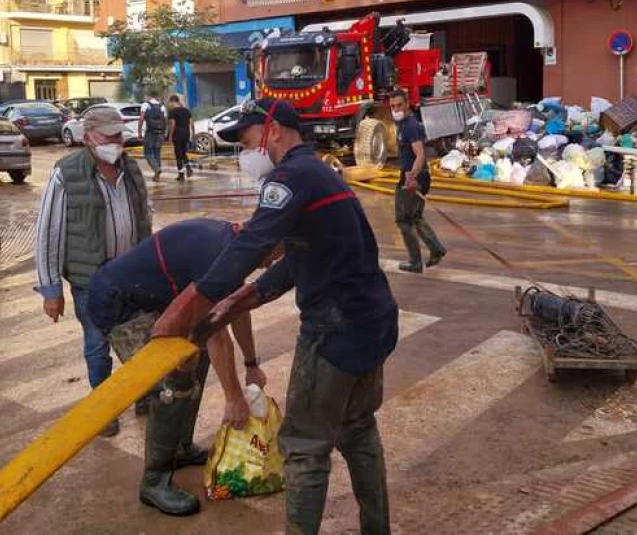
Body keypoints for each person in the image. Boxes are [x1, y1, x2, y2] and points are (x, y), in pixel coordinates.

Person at [151, 98, 397, 535]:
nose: (246, 155)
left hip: (334, 330)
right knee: (359, 430)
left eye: (247, 143)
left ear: (274, 132)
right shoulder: (320, 172)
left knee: (304, 449)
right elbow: (303, 257)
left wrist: (181, 312)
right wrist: (243, 299)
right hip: (372, 321)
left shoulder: (289, 177)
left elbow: (248, 248)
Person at [87, 218, 268, 516]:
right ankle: (154, 480)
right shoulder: (220, 254)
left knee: (197, 354)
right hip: (119, 302)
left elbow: (234, 308)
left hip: (152, 299)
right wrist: (234, 398)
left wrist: (251, 364)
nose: (274, 261)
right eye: (277, 252)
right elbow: (218, 335)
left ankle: (180, 448)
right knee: (169, 383)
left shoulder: (236, 245)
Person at [35, 105, 152, 437]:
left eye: (118, 135)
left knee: (142, 338)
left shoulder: (131, 169)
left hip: (132, 273)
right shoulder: (66, 174)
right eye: (107, 136)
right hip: (92, 279)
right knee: (97, 344)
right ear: (88, 138)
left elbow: (144, 215)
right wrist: (50, 289)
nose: (115, 142)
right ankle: (104, 408)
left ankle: (144, 396)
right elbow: (49, 232)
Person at [389, 89, 447, 273]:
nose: (396, 109)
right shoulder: (403, 124)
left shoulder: (410, 126)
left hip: (414, 176)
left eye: (399, 105)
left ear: (406, 104)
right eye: (392, 106)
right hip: (409, 175)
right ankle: (436, 248)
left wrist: (412, 178)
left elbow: (420, 155)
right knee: (414, 216)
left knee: (403, 219)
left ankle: (415, 262)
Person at [139, 89, 167, 182]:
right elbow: (165, 120)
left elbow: (141, 118)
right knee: (157, 154)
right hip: (160, 133)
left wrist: (139, 132)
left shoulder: (146, 105)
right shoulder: (162, 106)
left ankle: (156, 169)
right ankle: (157, 176)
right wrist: (164, 133)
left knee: (147, 154)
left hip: (150, 132)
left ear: (149, 96)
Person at [167, 94, 194, 181]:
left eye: (170, 103)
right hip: (186, 133)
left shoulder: (172, 112)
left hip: (177, 134)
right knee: (183, 152)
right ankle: (188, 167)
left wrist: (170, 136)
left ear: (173, 101)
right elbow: (191, 123)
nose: (170, 105)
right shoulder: (186, 111)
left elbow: (172, 124)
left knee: (178, 154)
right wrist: (193, 134)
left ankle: (181, 174)